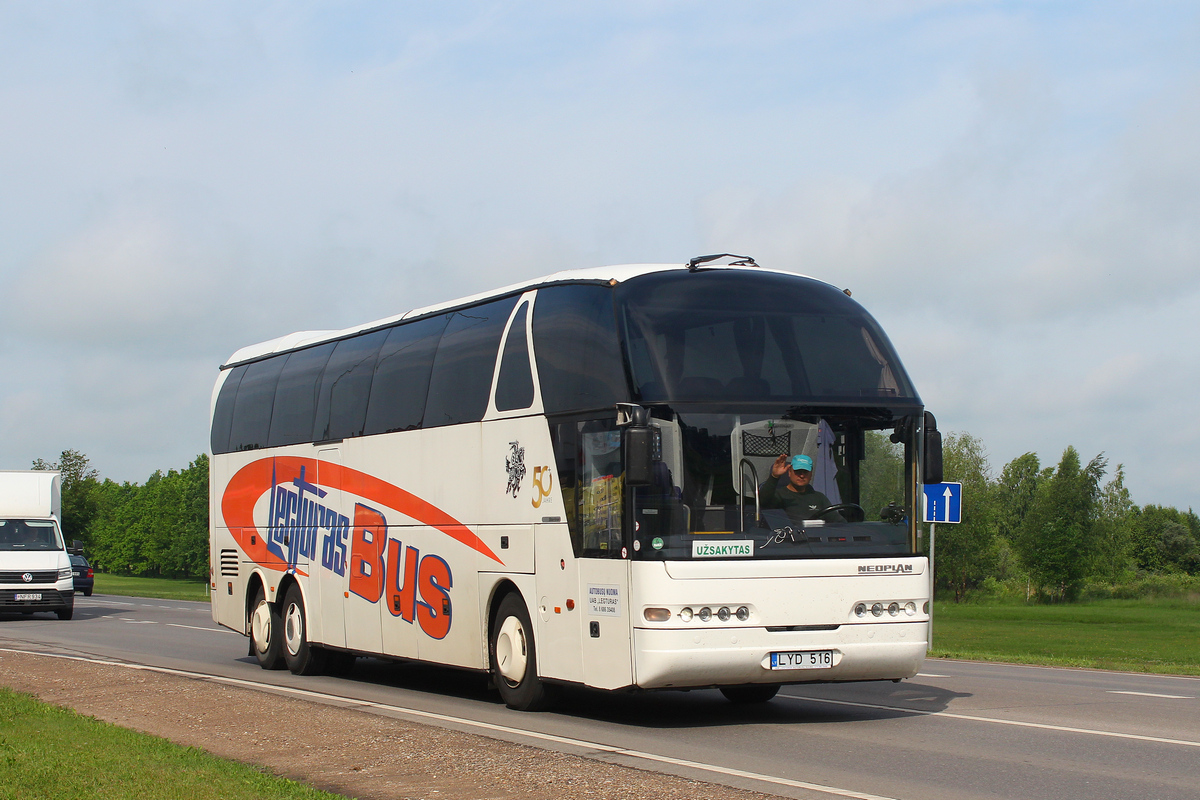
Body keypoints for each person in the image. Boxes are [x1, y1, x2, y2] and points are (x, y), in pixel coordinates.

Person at [759, 454, 842, 523]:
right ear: (790, 472)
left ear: (811, 474)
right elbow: (763, 501)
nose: (802, 475)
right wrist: (775, 476)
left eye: (805, 472)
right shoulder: (778, 495)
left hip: (816, 540)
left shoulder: (819, 498)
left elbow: (839, 523)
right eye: (798, 471)